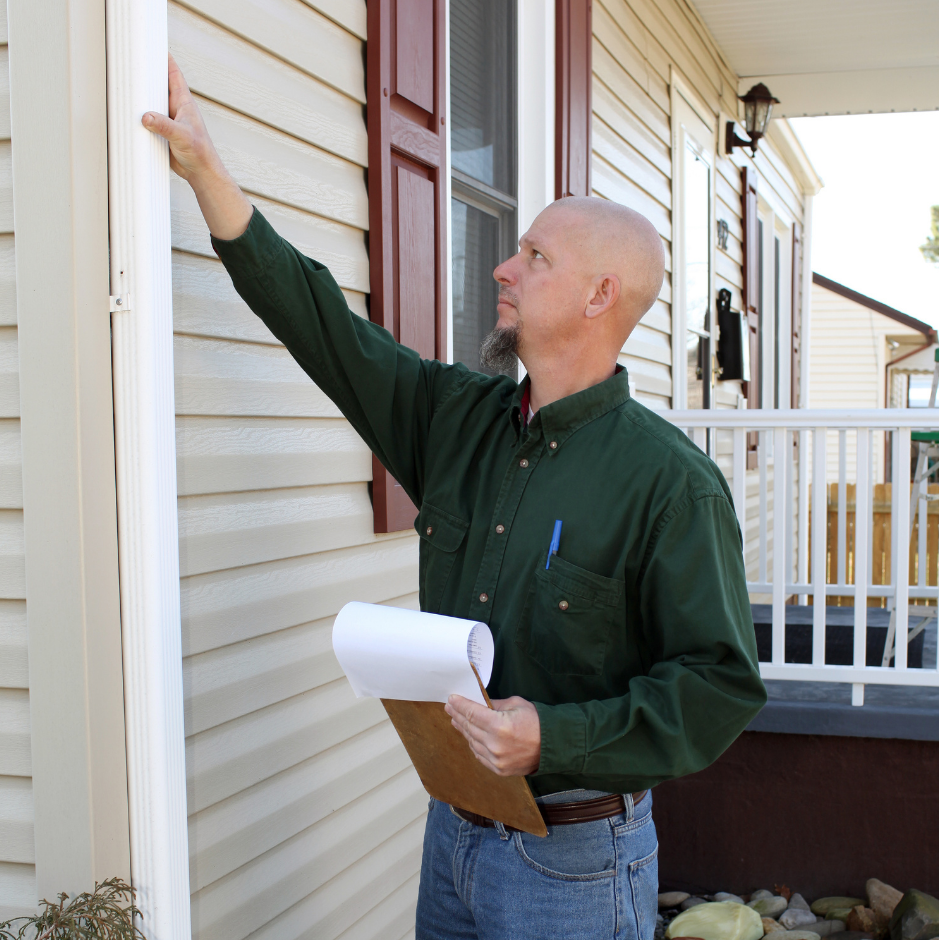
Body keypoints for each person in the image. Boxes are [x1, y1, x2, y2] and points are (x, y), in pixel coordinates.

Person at [144, 56, 766, 940]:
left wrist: (552, 736)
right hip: (453, 835)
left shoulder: (670, 484)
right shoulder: (453, 420)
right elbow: (324, 326)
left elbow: (717, 688)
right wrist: (206, 169)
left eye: (535, 257)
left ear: (600, 296)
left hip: (575, 866)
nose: (504, 269)